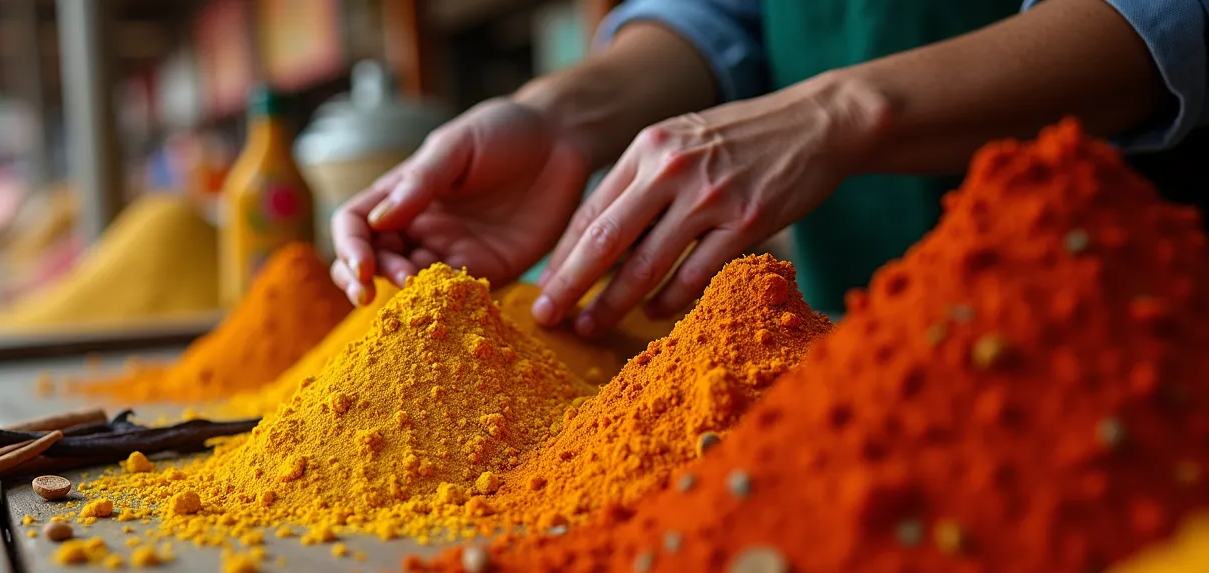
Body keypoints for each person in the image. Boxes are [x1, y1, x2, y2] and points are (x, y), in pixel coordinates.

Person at [331, 0, 1207, 337]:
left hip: (1134, 320)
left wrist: (839, 113)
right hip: (858, 343)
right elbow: (725, 15)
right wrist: (560, 118)